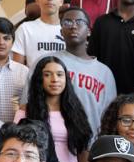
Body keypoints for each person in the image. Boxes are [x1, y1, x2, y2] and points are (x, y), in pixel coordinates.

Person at [18, 7, 117, 138]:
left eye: (79, 22)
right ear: (61, 31)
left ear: (89, 31)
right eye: (67, 22)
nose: (73, 26)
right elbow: (26, 105)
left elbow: (110, 119)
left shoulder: (105, 73)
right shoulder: (44, 62)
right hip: (49, 144)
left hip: (89, 149)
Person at [17, 54, 93, 162]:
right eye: (47, 74)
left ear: (66, 79)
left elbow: (82, 149)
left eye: (59, 74)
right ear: (39, 79)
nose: (54, 79)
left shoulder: (76, 111)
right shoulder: (26, 111)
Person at [12, 0, 66, 68]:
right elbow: (17, 69)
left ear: (61, 1)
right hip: (33, 81)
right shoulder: (25, 29)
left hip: (64, 81)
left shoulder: (70, 30)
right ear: (36, 0)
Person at [0, 18, 29, 120]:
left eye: (6, 38)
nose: (1, 42)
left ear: (12, 42)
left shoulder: (24, 72)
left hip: (16, 132)